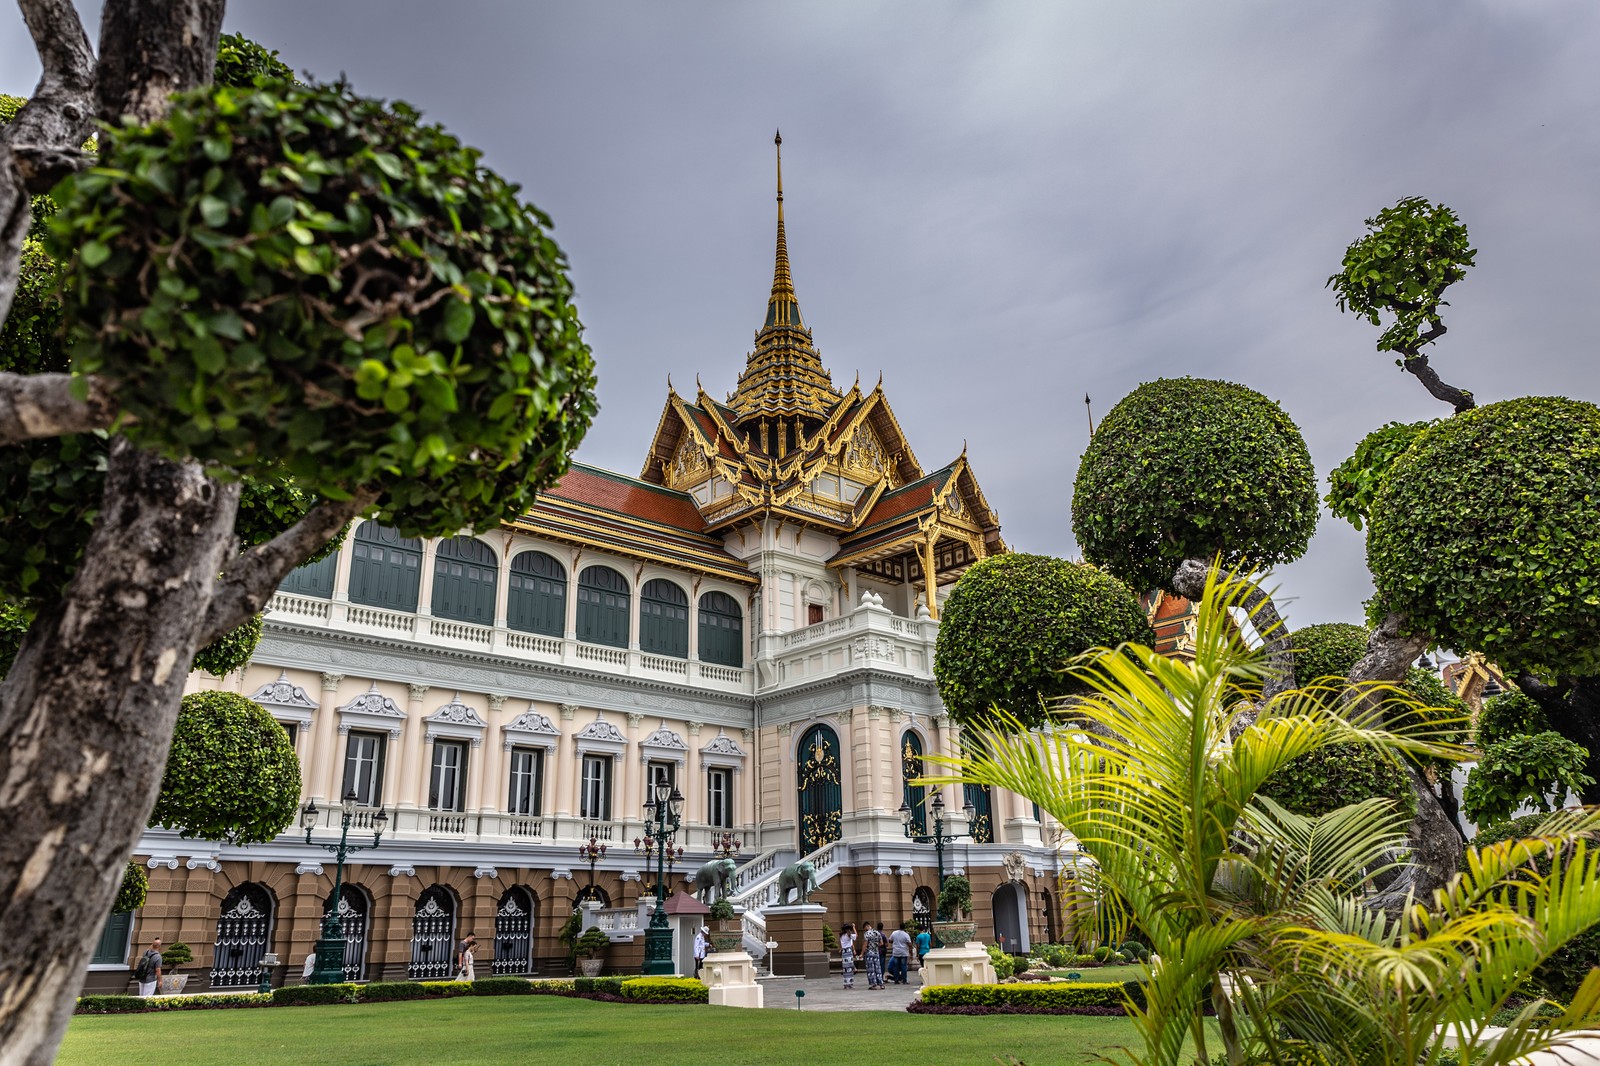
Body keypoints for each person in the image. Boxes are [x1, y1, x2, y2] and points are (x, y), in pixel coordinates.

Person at [863, 921, 884, 989]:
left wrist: (861, 953)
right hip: (876, 953)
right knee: (878, 968)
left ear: (866, 926)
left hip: (869, 953)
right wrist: (875, 946)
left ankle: (874, 984)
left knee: (871, 969)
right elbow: (881, 943)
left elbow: (865, 944)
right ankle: (881, 984)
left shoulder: (867, 933)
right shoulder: (877, 932)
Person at [838, 922, 856, 989]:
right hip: (848, 952)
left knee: (845, 968)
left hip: (844, 953)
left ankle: (846, 983)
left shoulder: (841, 935)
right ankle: (849, 983)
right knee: (849, 968)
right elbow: (856, 936)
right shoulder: (848, 935)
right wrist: (854, 927)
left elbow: (842, 945)